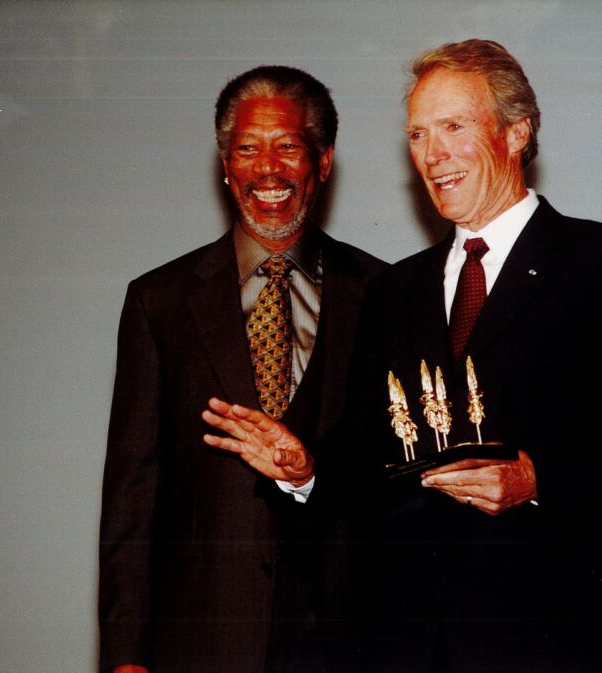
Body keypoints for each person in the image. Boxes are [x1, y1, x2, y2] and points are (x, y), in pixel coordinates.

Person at [204, 39, 602, 673]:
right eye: (417, 135)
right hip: (407, 641)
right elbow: (368, 448)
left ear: (515, 133)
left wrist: (538, 480)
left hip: (550, 636)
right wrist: (305, 469)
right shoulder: (393, 291)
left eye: (453, 127)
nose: (432, 155)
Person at [98, 65, 385, 673]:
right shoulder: (160, 301)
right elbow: (133, 489)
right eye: (247, 149)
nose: (269, 169)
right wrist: (125, 655)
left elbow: (392, 475)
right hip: (200, 641)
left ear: (324, 162)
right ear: (226, 165)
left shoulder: (386, 294)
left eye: (288, 147)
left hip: (346, 640)